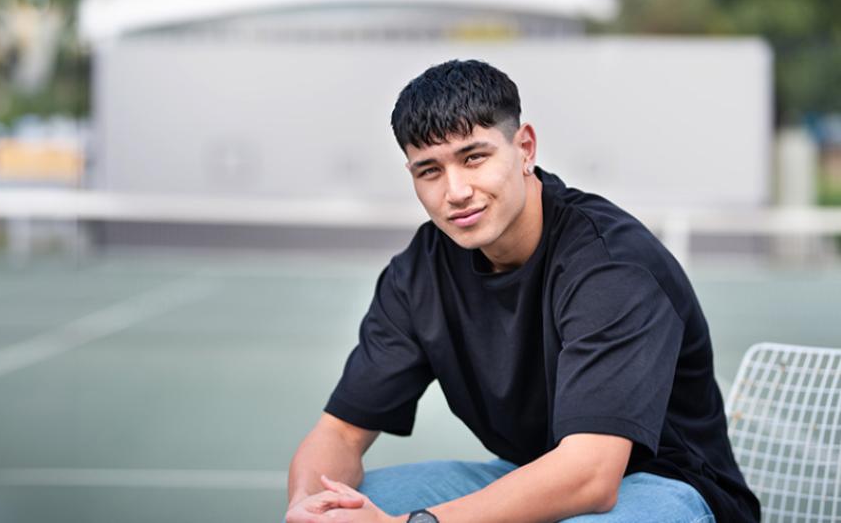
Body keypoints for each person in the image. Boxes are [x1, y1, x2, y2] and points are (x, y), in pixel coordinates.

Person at [284, 60, 760, 523]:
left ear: (525, 147)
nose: (456, 191)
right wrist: (307, 505)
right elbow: (341, 434)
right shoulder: (420, 272)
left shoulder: (611, 265)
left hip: (666, 487)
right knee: (347, 505)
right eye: (429, 171)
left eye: (474, 157)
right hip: (535, 470)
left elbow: (591, 476)